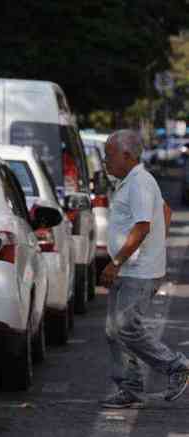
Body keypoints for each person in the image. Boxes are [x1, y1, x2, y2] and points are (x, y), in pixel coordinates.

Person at [99, 129, 189, 409]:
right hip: (134, 267)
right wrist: (154, 251)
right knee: (114, 330)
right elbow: (164, 211)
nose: (105, 160)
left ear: (127, 155)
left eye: (109, 154)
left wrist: (117, 262)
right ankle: (130, 386)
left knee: (126, 327)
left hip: (136, 271)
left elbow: (142, 225)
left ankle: (176, 366)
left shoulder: (139, 182)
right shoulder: (133, 181)